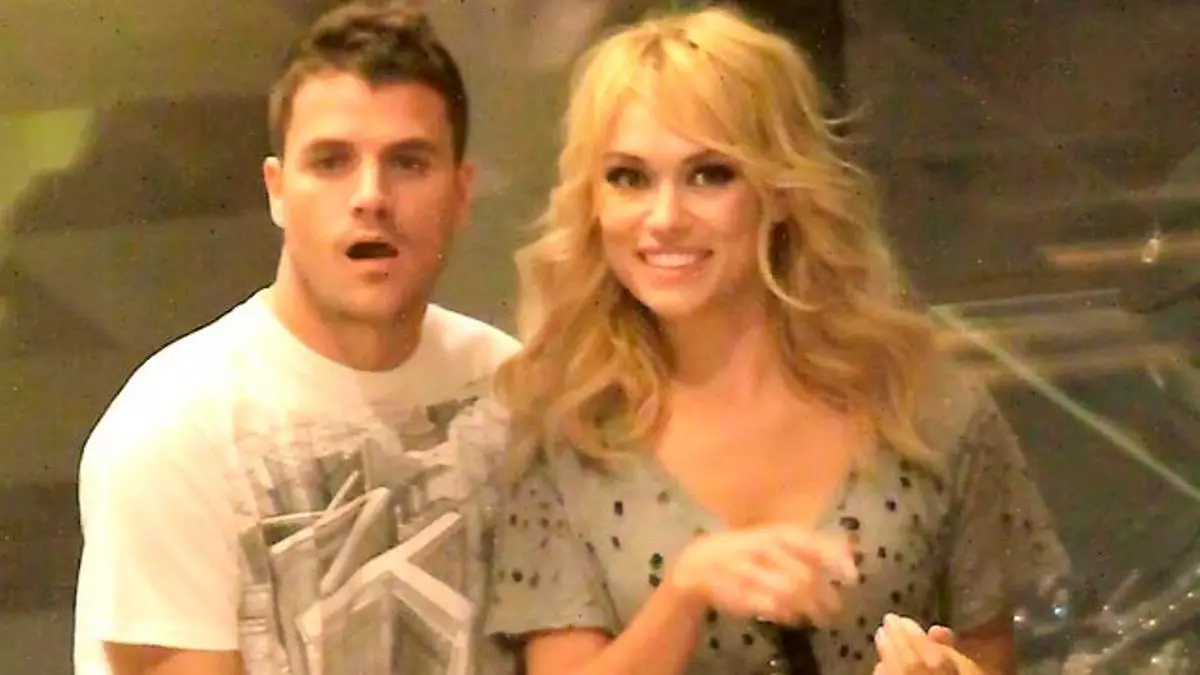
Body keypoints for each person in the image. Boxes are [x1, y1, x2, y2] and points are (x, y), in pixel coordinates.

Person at [483, 7, 1069, 675]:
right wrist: (684, 594)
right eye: (629, 177)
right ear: (592, 201)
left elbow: (991, 656)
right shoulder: (567, 432)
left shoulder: (928, 411)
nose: (664, 218)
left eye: (710, 174)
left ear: (782, 189)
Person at [73, 3, 518, 675]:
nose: (371, 196)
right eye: (332, 162)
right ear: (277, 191)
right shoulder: (173, 430)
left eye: (408, 162)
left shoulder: (515, 391)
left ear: (461, 194)